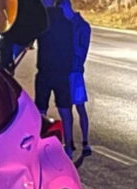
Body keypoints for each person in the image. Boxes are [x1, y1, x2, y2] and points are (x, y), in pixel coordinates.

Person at [35, 1, 75, 158]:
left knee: (41, 111)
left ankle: (40, 146)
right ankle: (69, 146)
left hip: (45, 72)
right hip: (62, 72)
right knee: (65, 109)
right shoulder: (67, 21)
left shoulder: (43, 22)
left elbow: (28, 40)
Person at [59, 0, 92, 156]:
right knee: (66, 109)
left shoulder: (82, 26)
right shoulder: (66, 25)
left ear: (66, 6)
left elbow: (81, 51)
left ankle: (85, 142)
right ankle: (69, 144)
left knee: (79, 107)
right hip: (66, 72)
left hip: (76, 73)